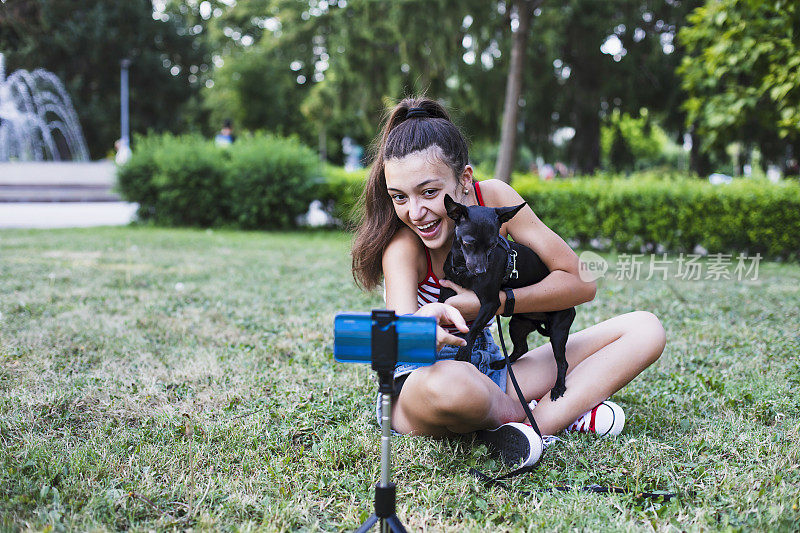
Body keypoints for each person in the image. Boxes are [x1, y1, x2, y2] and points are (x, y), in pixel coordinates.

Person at [350, 97, 666, 467]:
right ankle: (552, 413)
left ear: (465, 180)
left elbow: (581, 283)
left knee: (646, 329)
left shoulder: (493, 200)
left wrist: (495, 303)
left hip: (495, 373)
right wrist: (424, 324)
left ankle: (527, 426)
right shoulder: (404, 246)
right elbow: (399, 332)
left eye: (430, 192)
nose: (415, 213)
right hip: (423, 386)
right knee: (454, 384)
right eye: (399, 197)